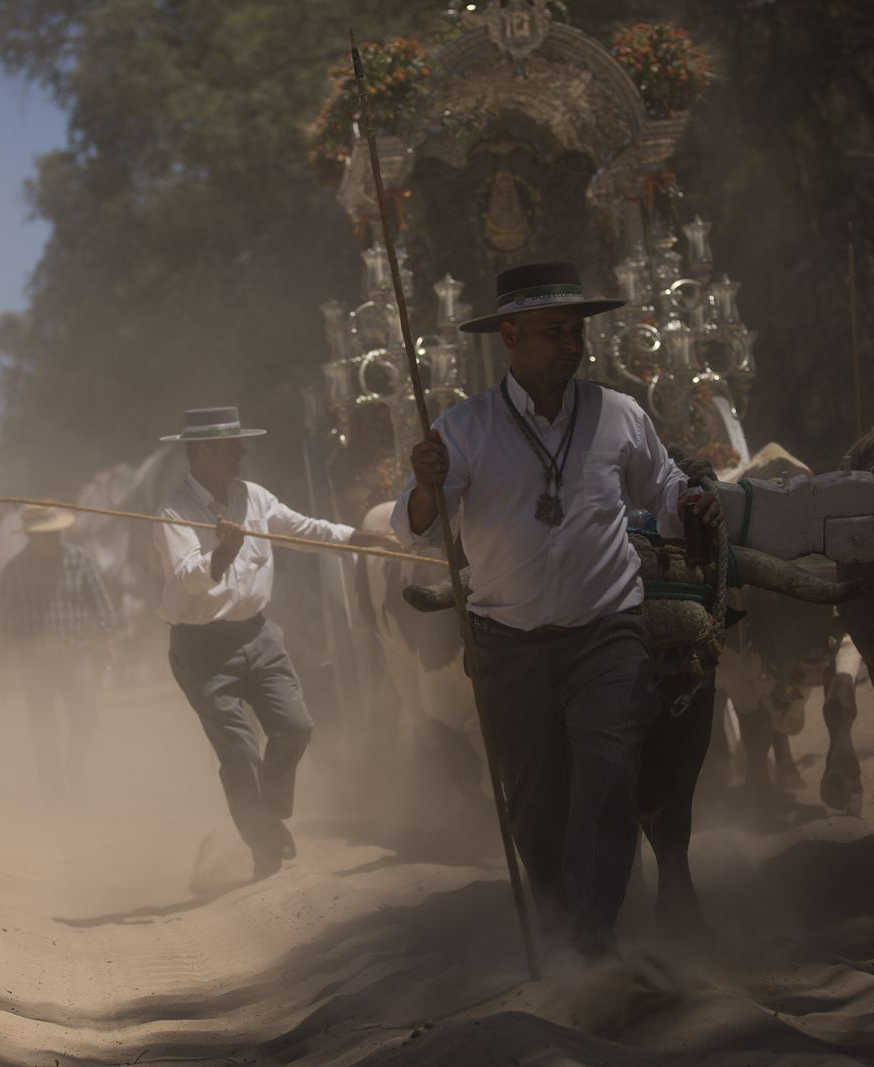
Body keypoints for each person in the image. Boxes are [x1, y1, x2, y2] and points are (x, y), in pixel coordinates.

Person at [392, 260, 722, 959]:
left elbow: (662, 486)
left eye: (575, 331)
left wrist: (688, 501)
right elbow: (416, 523)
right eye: (553, 331)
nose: (571, 344)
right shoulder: (464, 428)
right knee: (535, 809)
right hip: (508, 643)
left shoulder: (619, 414)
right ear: (509, 336)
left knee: (607, 782)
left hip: (607, 633)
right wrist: (424, 486)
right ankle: (557, 914)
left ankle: (593, 940)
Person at [154, 406, 398, 879]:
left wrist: (360, 537)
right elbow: (185, 578)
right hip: (203, 649)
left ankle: (268, 812)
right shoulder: (173, 510)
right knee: (240, 755)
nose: (242, 453)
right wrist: (221, 554)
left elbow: (303, 529)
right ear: (203, 452)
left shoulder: (255, 497)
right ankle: (263, 844)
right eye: (232, 447)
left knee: (296, 728)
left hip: (258, 634)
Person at [0, 505, 118, 796]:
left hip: (76, 657)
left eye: (54, 534)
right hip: (34, 664)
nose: (51, 540)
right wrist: (1, 665)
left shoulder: (78, 561)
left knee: (86, 719)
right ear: (30, 537)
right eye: (44, 536)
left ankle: (75, 766)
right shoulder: (13, 571)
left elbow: (102, 607)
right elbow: (2, 623)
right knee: (43, 730)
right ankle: (53, 790)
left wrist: (109, 639)